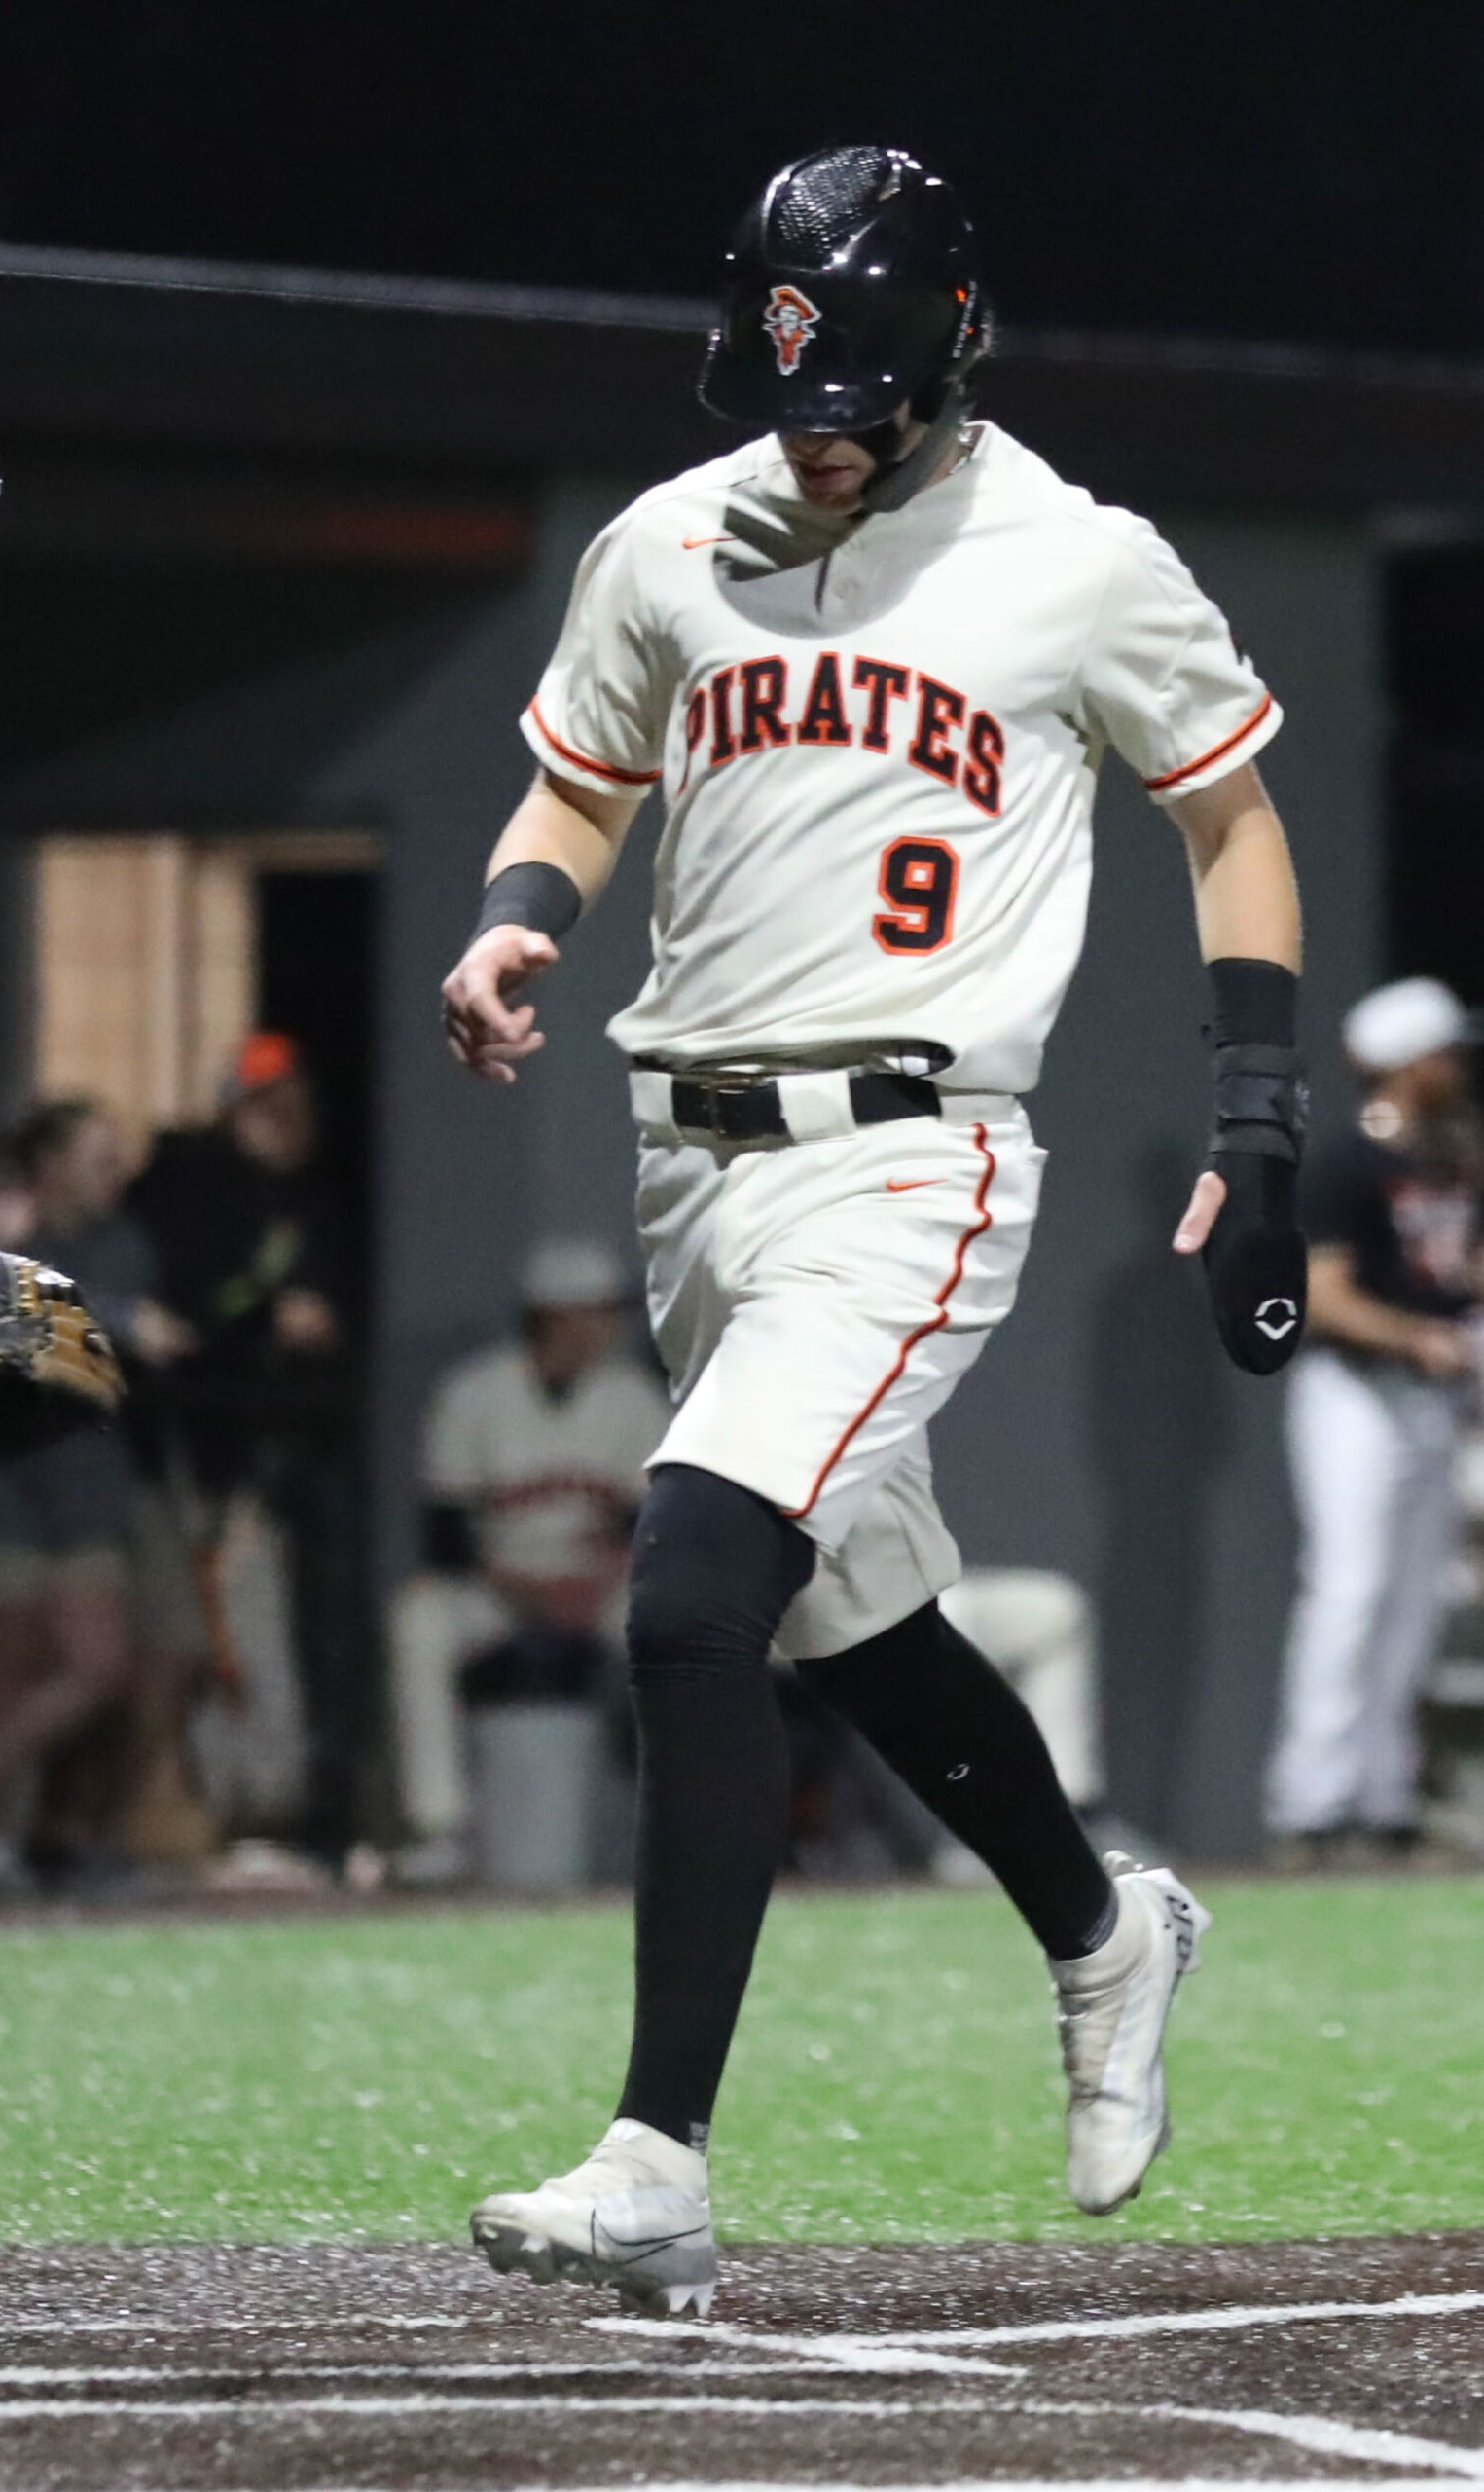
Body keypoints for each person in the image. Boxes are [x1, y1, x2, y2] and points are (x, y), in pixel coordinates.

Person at [441, 147, 1306, 2317]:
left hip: (912, 1155)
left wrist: (1258, 1116)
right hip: (689, 1170)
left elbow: (1228, 815)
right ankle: (1103, 1929)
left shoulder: (1072, 561)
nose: (812, 434)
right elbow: (576, 776)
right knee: (854, 1625)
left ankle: (654, 2155)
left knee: (689, 1586)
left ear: (948, 357)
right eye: (785, 390)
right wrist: (517, 916)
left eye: (853, 395)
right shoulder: (666, 538)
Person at [129, 1031, 368, 1865]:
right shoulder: (188, 1191)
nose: (287, 1121)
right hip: (207, 1462)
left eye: (294, 1104)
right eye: (267, 1106)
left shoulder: (310, 1200)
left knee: (295, 1641)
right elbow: (186, 1320)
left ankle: (290, 1814)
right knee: (221, 1640)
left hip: (292, 1453)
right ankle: (234, 1814)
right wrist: (267, 1318)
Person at [0, 1099, 194, 1892]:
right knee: (0, 1678)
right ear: (49, 1165)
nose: (117, 1173)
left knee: (99, 1666)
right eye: (98, 1158)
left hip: (83, 1484)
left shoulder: (120, 1243)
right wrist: (112, 1318)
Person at [1264, 976, 1481, 1863]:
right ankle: (1309, 1802)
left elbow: (1452, 1265)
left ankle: (1385, 1799)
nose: (1457, 1067)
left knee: (1414, 1602)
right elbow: (1321, 1295)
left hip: (1433, 1397)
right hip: (1354, 1394)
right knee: (1349, 1588)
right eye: (1444, 1054)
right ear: (1409, 1063)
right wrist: (1419, 1338)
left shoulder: (1450, 1158)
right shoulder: (1347, 1161)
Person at [391, 1238, 669, 1880]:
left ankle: (691, 1818)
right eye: (597, 1311)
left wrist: (596, 1582)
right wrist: (525, 1591)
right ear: (554, 1316)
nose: (609, 1326)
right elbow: (446, 1535)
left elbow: (655, 1528)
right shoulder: (474, 1392)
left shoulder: (632, 1397)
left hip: (602, 1588)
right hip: (502, 1586)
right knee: (418, 1621)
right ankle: (439, 1828)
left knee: (687, 1628)